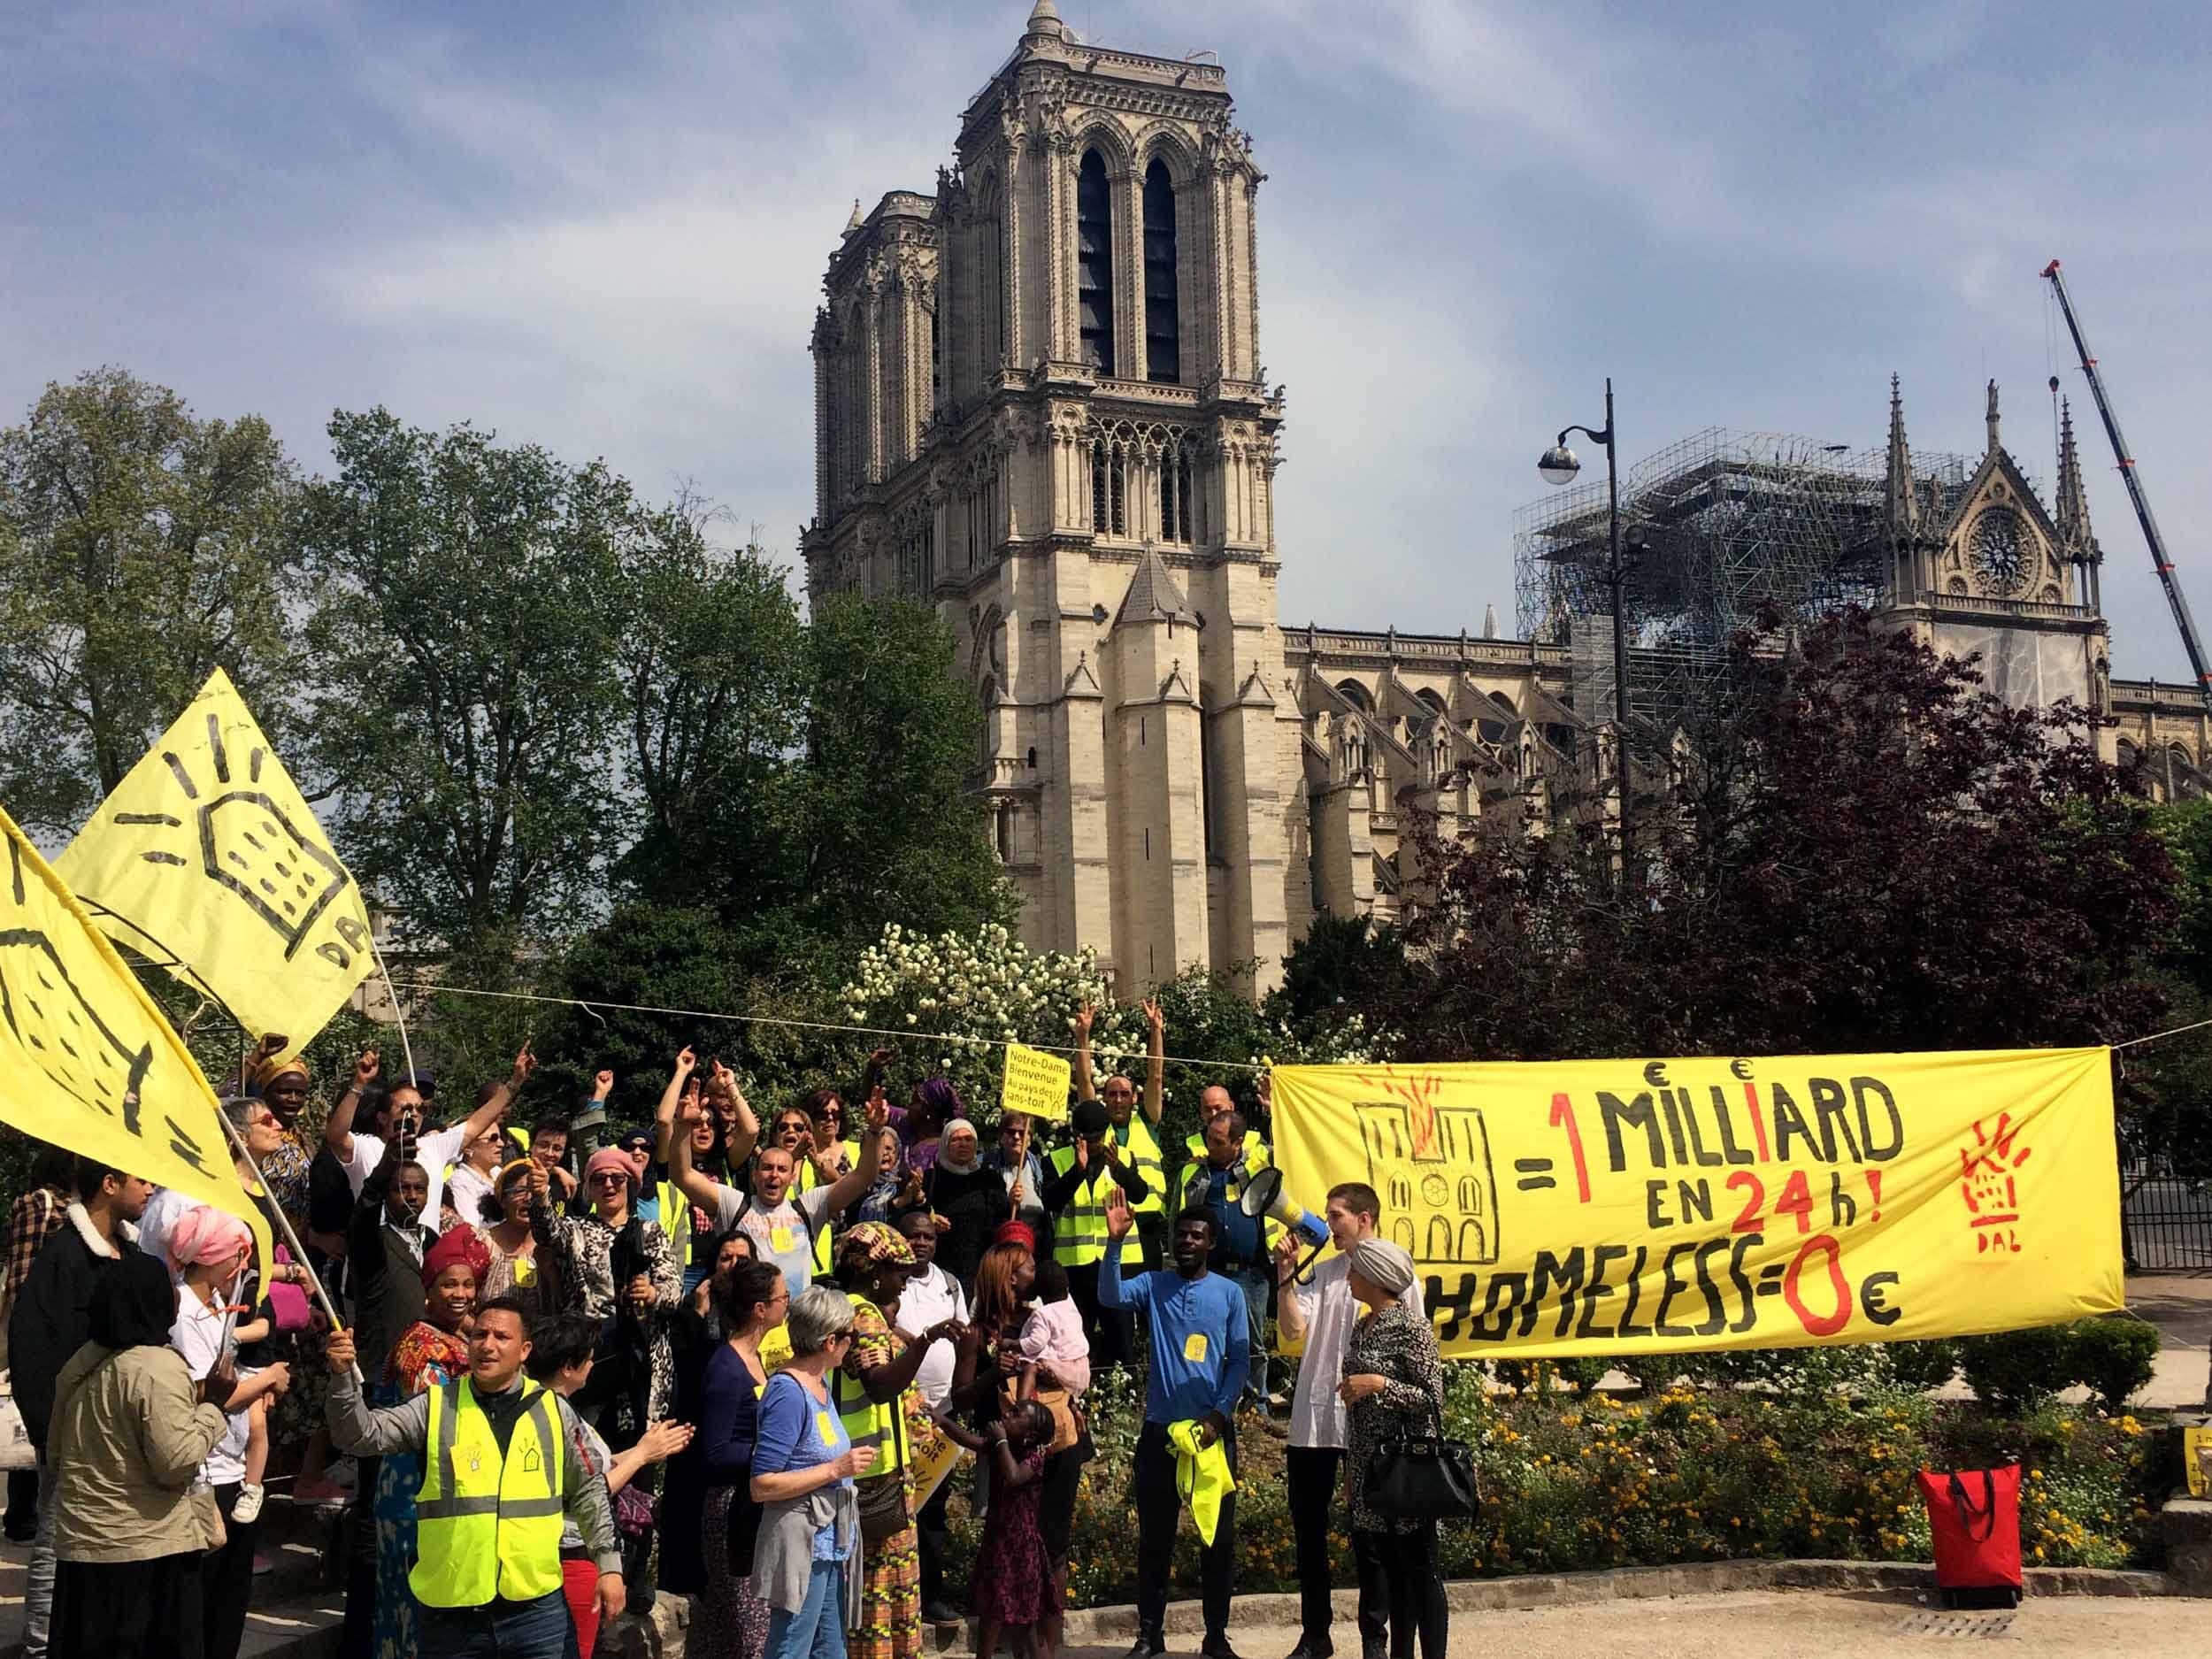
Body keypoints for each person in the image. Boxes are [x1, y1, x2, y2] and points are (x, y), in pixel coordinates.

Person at [322, 1299, 626, 1659]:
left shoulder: (555, 1412)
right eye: (480, 1334)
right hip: (453, 1615)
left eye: (502, 1336)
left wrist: (609, 1567)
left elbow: (590, 1490)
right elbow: (360, 1435)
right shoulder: (435, 1405)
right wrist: (342, 1379)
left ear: (524, 1350)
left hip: (536, 1612)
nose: (488, 1344)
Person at [44, 1253, 268, 1659]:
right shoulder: (157, 1367)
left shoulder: (79, 1365)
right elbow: (176, 1462)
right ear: (149, 1299)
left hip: (84, 1550)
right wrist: (215, 1406)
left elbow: (56, 1453)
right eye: (169, 1287)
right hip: (147, 1556)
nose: (178, 1297)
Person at [10, 1156, 153, 1659]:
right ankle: (42, 1643)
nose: (150, 1186)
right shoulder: (64, 1258)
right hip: (71, 1432)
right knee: (56, 1540)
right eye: (140, 1177)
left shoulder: (133, 1256)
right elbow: (30, 1349)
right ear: (109, 1185)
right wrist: (52, 1432)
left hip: (122, 1434)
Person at [1273, 1183, 1425, 1659]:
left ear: (1364, 1219)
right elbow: (1294, 1329)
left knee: (1372, 1537)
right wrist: (1283, 1278)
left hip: (1372, 1426)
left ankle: (1373, 1640)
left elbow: (1415, 1347)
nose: (1328, 1223)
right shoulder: (1324, 1272)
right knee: (1309, 1534)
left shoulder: (1397, 1273)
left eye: (1336, 1215)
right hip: (1315, 1424)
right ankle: (1315, 1634)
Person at [529, 1144, 683, 1599]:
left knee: (641, 1465)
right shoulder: (578, 1231)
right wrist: (540, 1197)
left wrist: (653, 1293)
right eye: (600, 1179)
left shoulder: (652, 1233)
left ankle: (637, 1570)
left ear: (632, 1185)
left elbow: (675, 1290)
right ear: (591, 1188)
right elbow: (548, 1232)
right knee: (591, 1460)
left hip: (643, 1368)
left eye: (619, 1178)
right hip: (591, 1365)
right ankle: (590, 1560)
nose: (610, 1185)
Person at [1099, 1197, 1249, 1659]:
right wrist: (1115, 1242)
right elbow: (1109, 1296)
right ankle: (1149, 1635)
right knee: (1155, 1541)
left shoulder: (1230, 1293)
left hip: (1210, 1434)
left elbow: (1239, 1361)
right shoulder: (1153, 1284)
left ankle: (1215, 1636)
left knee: (1217, 1541)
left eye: (1196, 1235)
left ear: (1211, 1243)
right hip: (1160, 1434)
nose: (1186, 1241)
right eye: (1181, 1234)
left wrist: (1218, 1416)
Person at [526, 1314, 695, 1659]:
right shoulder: (553, 1415)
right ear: (568, 1367)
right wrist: (641, 1457)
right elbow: (585, 1492)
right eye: (588, 1356)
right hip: (569, 1555)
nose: (593, 1363)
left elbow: (589, 1468)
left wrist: (646, 1448)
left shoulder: (550, 1409)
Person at [165, 1207, 291, 1659]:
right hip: (206, 1473)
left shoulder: (216, 1306)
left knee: (230, 1603)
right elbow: (209, 1392)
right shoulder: (183, 1314)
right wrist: (268, 1378)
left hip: (231, 1464)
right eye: (234, 1257)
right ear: (210, 1256)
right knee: (204, 1603)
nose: (242, 1267)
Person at [830, 1224, 963, 1659]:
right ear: (873, 1273)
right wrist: (925, 1340)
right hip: (872, 1474)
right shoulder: (862, 1314)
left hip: (875, 1470)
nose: (903, 1282)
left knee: (880, 1594)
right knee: (878, 1600)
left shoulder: (852, 1309)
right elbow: (879, 1386)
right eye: (897, 1273)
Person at [363, 1225, 489, 1659]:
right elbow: (438, 1417)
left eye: (468, 1284)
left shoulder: (461, 1338)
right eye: (448, 1284)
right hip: (412, 1492)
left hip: (438, 1491)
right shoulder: (422, 1346)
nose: (460, 1293)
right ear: (428, 1291)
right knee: (410, 1607)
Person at [750, 1286, 877, 1659]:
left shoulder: (819, 1385)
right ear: (830, 1341)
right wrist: (837, 1468)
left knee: (830, 1650)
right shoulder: (788, 1393)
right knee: (790, 1647)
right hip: (803, 1544)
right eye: (849, 1336)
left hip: (829, 1545)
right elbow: (762, 1483)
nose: (852, 1344)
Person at [672, 1084, 889, 1299]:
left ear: (790, 1177)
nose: (774, 1174)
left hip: (793, 1327)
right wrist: (682, 1125)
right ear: (755, 1176)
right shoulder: (735, 1205)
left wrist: (875, 1131)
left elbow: (863, 1177)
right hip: (746, 1326)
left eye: (782, 1169)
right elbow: (683, 1176)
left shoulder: (809, 1208)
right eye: (766, 1168)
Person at [1339, 1241, 1448, 1659]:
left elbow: (1433, 1399)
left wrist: (1379, 1384)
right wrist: (1351, 1466)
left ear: (1376, 1277)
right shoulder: (1361, 1326)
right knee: (1391, 1574)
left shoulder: (1412, 1327)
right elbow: (1354, 1404)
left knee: (1422, 1571)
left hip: (1407, 1468)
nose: (1349, 1278)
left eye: (1355, 1271)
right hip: (1369, 1467)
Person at [695, 1259, 790, 1659]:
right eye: (783, 1297)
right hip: (731, 1515)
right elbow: (714, 1453)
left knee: (735, 1634)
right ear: (760, 1310)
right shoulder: (726, 1369)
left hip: (753, 1508)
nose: (788, 1303)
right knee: (747, 1635)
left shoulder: (756, 1359)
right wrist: (768, 1457)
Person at [326, 1042, 536, 1224]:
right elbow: (336, 1137)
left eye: (420, 1109)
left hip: (422, 1264)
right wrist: (359, 1084)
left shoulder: (433, 1147)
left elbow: (475, 1124)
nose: (415, 1114)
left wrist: (514, 1083)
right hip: (375, 1263)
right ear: (382, 1117)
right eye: (406, 1109)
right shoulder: (366, 1147)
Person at [888, 1210, 967, 1625]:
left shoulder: (950, 1284)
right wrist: (921, 1339)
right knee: (899, 1508)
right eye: (913, 1236)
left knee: (934, 1509)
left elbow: (966, 1338)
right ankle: (898, 1600)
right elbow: (883, 1330)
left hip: (943, 1414)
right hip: (899, 1413)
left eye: (928, 1237)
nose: (921, 1243)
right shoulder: (889, 1281)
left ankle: (932, 1598)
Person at [936, 1400, 1055, 1659]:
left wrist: (1000, 1441)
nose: (1006, 1415)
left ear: (1030, 1435)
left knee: (1025, 1623)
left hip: (1022, 1551)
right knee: (992, 1610)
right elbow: (971, 1441)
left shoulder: (1034, 1458)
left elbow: (1013, 1477)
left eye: (1015, 1414)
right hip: (998, 1543)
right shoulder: (1001, 1447)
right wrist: (943, 1422)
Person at [1176, 1111, 1279, 1409]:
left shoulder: (1258, 1169)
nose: (1209, 1146)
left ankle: (1256, 1403)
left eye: (1218, 1141)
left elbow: (1288, 1144)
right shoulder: (1194, 1172)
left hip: (1251, 1274)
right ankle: (1210, 1399)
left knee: (1252, 1343)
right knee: (1205, 1338)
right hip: (1210, 1274)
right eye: (1209, 1138)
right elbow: (1178, 1220)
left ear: (1238, 1143)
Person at [0, 1145, 74, 1540]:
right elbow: (21, 1273)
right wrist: (31, 1332)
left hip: (57, 1329)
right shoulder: (38, 1203)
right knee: (30, 1421)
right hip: (40, 1331)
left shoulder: (74, 1204)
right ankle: (23, 1516)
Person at [1041, 1099, 1148, 1369]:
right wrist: (1077, 1171)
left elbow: (1140, 1194)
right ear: (1077, 1136)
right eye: (1087, 1138)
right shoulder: (1057, 1159)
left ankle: (1126, 1395)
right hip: (1075, 1266)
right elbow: (1051, 1201)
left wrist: (1119, 1172)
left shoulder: (1122, 1156)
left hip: (1116, 1262)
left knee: (1122, 1338)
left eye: (1098, 1138)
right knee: (1076, 1339)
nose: (1094, 1144)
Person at [1073, 999, 1167, 1269]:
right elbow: (1084, 1082)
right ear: (1104, 1098)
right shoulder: (1099, 1129)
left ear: (1134, 1098)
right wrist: (1083, 1037)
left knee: (1147, 1300)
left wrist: (1155, 1030)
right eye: (1111, 1094)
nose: (1117, 1100)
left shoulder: (1147, 1121)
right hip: (1110, 1221)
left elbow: (1156, 1076)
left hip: (1147, 1221)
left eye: (1124, 1094)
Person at [927, 1119, 1009, 1288]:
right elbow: (914, 1217)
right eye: (956, 1139)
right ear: (945, 1144)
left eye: (968, 1139)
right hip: (940, 1270)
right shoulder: (930, 1179)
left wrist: (1013, 1201)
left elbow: (1002, 1220)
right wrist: (929, 1219)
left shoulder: (990, 1179)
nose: (963, 1144)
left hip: (980, 1272)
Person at [481, 1158, 542, 1304]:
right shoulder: (482, 1243)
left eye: (534, 1192)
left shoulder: (552, 1245)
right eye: (520, 1191)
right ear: (502, 1200)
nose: (528, 1198)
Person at [985, 1115, 1048, 1243]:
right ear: (1001, 1137)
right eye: (1010, 1132)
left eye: (1023, 1132)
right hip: (999, 1244)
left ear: (1030, 1140)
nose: (1017, 1137)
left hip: (1035, 1247)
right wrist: (1007, 1203)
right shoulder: (986, 1166)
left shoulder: (1041, 1168)